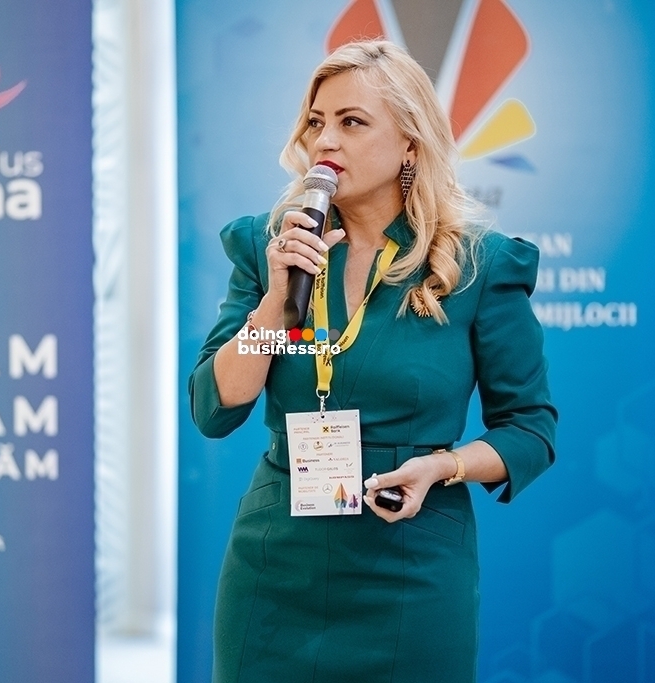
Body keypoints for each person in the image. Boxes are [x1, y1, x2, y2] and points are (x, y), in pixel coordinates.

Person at [189, 40, 557, 683]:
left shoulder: (478, 264)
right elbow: (214, 410)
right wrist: (275, 300)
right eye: (316, 122)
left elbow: (529, 430)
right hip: (276, 569)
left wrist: (442, 467)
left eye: (352, 122)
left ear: (410, 144)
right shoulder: (267, 244)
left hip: (412, 569)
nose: (325, 140)